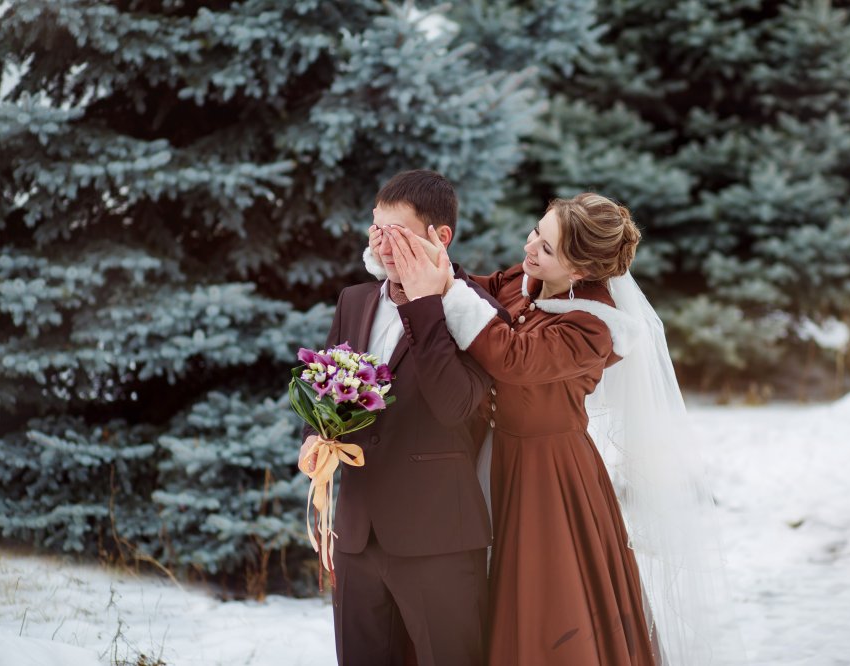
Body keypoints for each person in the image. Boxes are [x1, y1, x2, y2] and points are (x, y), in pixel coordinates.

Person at [375, 193, 742, 665]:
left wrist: (443, 289)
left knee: (543, 598)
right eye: (536, 231)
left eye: (547, 248)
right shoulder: (524, 280)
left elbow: (513, 358)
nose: (529, 248)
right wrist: (418, 256)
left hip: (546, 474)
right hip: (486, 452)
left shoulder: (591, 329)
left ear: (581, 270)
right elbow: (472, 289)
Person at [299, 170, 507, 666]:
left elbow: (455, 406)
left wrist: (424, 304)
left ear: (441, 237)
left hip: (437, 535)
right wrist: (314, 436)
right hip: (356, 535)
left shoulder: (475, 311)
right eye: (376, 228)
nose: (382, 244)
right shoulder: (354, 300)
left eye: (397, 232)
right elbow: (323, 387)